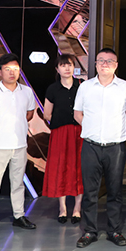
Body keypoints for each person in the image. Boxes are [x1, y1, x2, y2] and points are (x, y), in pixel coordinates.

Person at [73, 48, 126, 248]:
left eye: (109, 61)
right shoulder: (85, 87)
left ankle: (114, 230)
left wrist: (116, 129)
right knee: (90, 192)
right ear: (96, 64)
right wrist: (91, 128)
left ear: (116, 65)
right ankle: (89, 231)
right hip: (90, 146)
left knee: (115, 190)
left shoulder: (125, 87)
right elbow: (77, 113)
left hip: (115, 147)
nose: (105, 64)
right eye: (101, 60)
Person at [0, 53, 37, 237]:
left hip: (20, 144)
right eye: (7, 69)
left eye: (15, 69)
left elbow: (29, 114)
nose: (12, 73)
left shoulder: (27, 92)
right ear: (0, 71)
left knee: (18, 183)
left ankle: (19, 216)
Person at [42, 54, 84, 224]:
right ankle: (62, 208)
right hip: (60, 133)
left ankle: (77, 208)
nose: (67, 68)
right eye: (63, 65)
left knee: (79, 167)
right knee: (61, 167)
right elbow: (47, 114)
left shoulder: (82, 86)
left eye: (70, 65)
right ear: (57, 69)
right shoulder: (52, 89)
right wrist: (60, 120)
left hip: (79, 132)